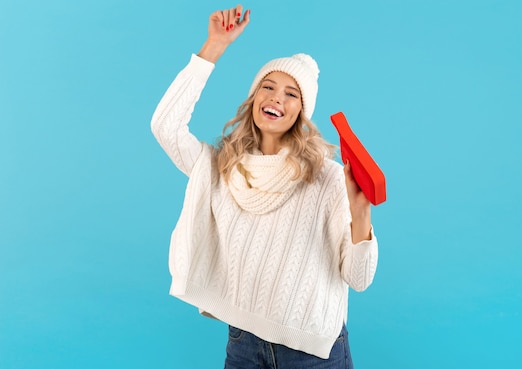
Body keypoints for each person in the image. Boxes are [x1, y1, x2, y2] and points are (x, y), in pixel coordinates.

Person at [151, 5, 378, 368]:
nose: (276, 97)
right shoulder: (220, 167)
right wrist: (214, 46)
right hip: (244, 343)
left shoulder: (327, 177)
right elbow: (165, 126)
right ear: (254, 98)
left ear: (302, 112)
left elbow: (359, 279)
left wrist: (360, 212)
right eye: (267, 87)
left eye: (291, 93)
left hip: (313, 353)